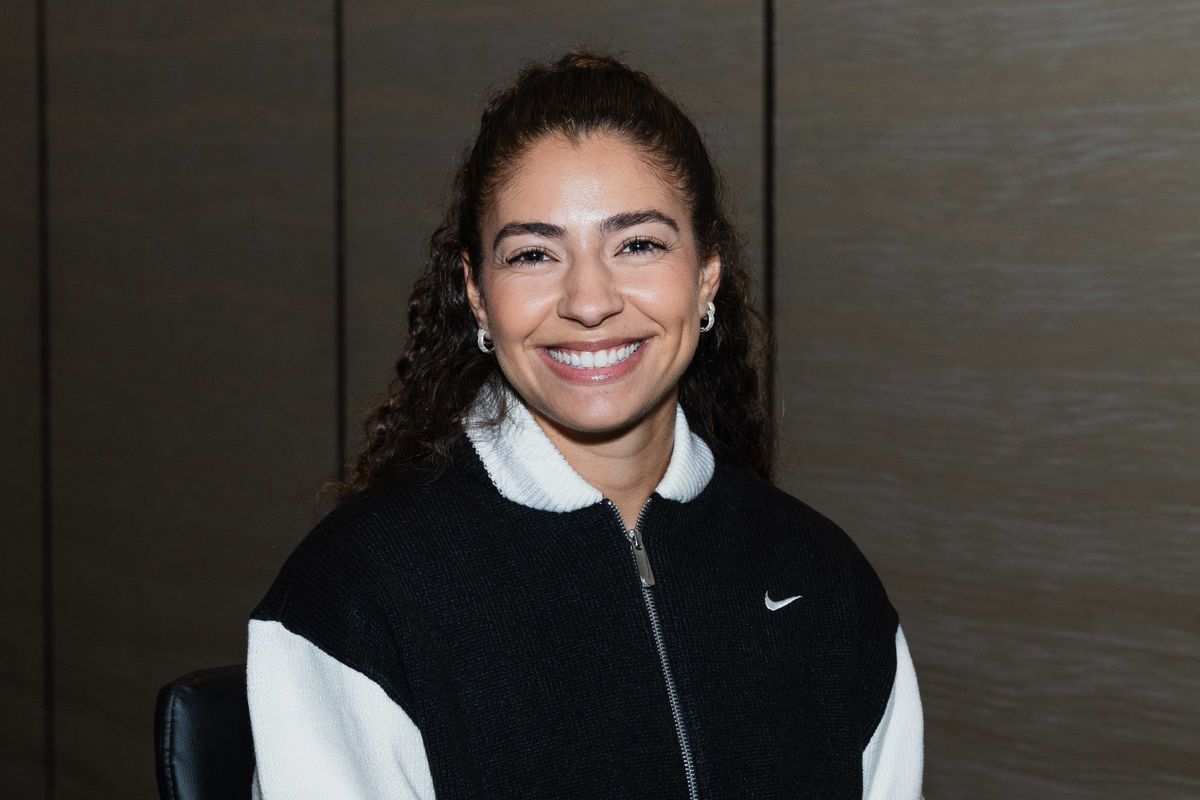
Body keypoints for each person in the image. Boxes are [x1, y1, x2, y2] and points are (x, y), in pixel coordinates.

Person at [245, 51, 923, 799]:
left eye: (638, 244)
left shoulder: (826, 582)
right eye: (534, 254)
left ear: (707, 275)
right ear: (477, 293)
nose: (590, 301)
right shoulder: (353, 597)